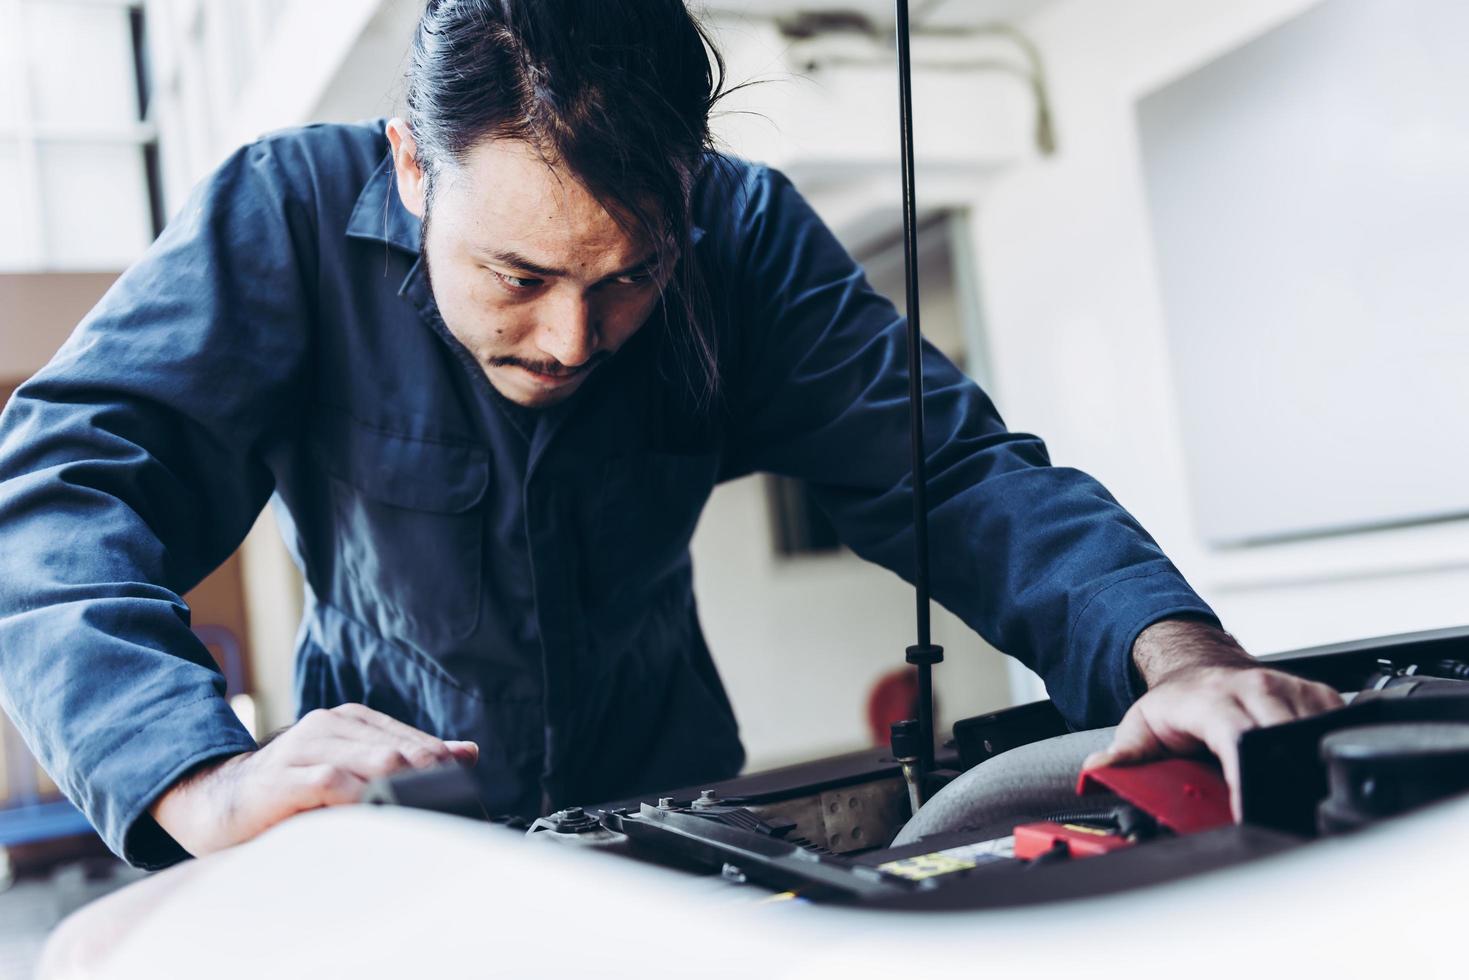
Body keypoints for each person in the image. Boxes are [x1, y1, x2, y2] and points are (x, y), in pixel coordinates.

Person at [0, 0, 1340, 870]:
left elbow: (954, 476)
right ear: (410, 169)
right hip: (387, 836)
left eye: (630, 274)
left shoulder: (742, 237)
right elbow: (55, 500)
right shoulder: (283, 219)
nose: (576, 341)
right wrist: (199, 774)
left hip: (677, 821)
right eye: (516, 277)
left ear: (687, 194)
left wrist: (1176, 660)